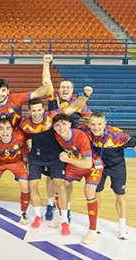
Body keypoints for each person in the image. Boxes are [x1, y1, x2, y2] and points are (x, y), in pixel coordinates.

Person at [20, 86, 92, 235]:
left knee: (60, 186)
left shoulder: (52, 116)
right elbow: (21, 139)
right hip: (36, 158)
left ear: (43, 109)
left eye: (39, 110)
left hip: (55, 157)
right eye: (33, 110)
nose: (37, 113)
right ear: (29, 111)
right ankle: (38, 216)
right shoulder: (24, 125)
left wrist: (85, 95)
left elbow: (74, 106)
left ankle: (64, 220)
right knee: (32, 185)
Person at [45, 78, 92, 222]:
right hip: (54, 142)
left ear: (72, 91)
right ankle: (50, 203)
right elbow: (46, 82)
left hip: (73, 145)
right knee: (50, 176)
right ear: (58, 90)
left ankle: (68, 208)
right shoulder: (53, 100)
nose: (65, 89)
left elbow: (90, 119)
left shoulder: (80, 104)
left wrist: (85, 132)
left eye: (68, 87)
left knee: (68, 180)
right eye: (62, 87)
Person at [84, 111, 136, 240]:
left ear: (105, 124)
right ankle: (96, 224)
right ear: (89, 124)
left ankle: (122, 228)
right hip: (98, 166)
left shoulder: (118, 135)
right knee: (96, 193)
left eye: (99, 124)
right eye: (93, 124)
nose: (96, 127)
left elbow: (134, 144)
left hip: (117, 167)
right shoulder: (86, 133)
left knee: (120, 194)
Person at [53, 113, 102, 244]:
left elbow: (88, 163)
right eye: (57, 125)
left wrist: (67, 159)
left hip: (92, 165)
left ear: (69, 124)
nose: (61, 127)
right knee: (60, 186)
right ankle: (63, 216)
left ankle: (92, 230)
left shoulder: (80, 136)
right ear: (54, 128)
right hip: (75, 163)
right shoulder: (57, 135)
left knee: (89, 191)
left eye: (63, 124)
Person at [0, 54, 52, 127]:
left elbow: (37, 93)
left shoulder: (16, 99)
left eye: (3, 90)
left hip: (17, 132)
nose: (0, 94)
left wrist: (46, 64)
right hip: (1, 133)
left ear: (8, 91)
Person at [0, 118, 30, 224]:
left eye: (7, 128)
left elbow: (25, 155)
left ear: (12, 130)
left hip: (16, 163)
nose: (4, 131)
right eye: (1, 129)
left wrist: (27, 166)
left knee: (25, 186)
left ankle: (24, 212)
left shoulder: (20, 137)